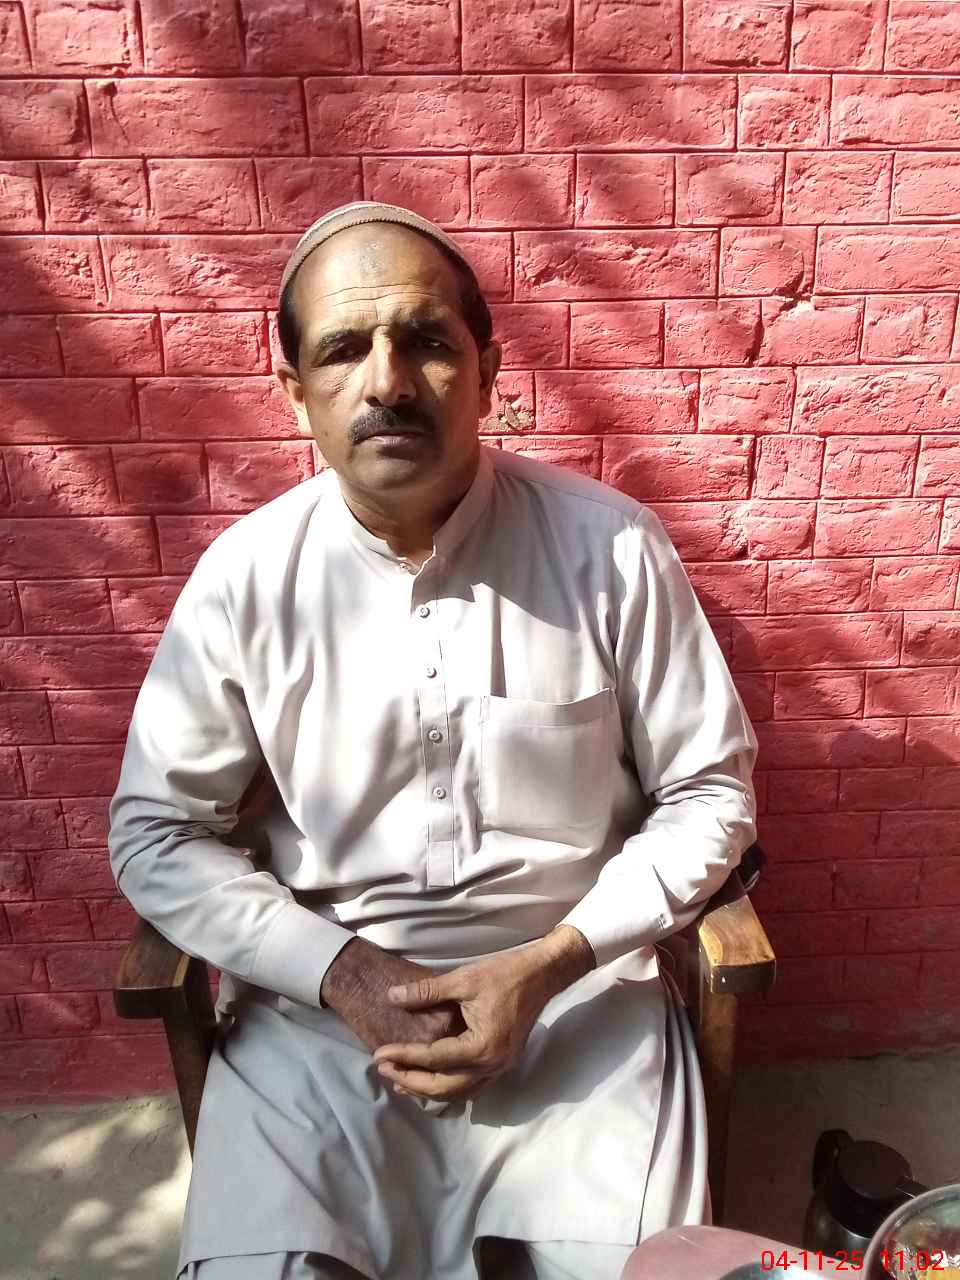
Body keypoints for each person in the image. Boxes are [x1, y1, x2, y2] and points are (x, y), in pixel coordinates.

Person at [108, 201, 758, 1280]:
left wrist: (551, 964)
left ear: (488, 369)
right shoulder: (244, 583)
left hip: (581, 1011)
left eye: (426, 341)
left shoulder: (610, 551)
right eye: (343, 350)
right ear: (295, 389)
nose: (389, 383)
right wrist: (341, 972)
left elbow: (710, 795)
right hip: (318, 1027)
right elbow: (155, 832)